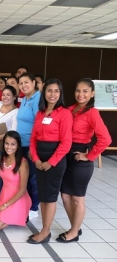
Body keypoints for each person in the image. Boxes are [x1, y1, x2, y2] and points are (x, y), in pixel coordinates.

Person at [58, 78, 111, 243]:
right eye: (78, 91)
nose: (80, 94)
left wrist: (89, 156)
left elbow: (106, 139)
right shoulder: (70, 109)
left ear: (92, 93)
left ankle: (74, 232)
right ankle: (75, 226)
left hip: (80, 160)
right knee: (65, 196)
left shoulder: (92, 112)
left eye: (85, 91)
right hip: (66, 157)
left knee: (77, 198)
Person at [28, 79, 72, 244]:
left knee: (50, 197)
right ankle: (44, 229)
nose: (52, 94)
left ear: (60, 94)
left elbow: (66, 143)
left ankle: (45, 231)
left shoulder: (65, 113)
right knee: (42, 195)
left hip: (55, 160)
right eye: (49, 91)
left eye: (56, 91)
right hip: (39, 159)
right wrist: (37, 158)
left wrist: (50, 162)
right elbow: (33, 139)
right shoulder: (40, 113)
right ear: (44, 93)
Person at [0, 131, 31, 231]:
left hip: (17, 198)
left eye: (13, 144)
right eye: (6, 143)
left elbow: (22, 190)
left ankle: (21, 216)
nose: (9, 147)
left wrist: (6, 205)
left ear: (18, 145)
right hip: (5, 196)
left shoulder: (23, 163)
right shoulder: (2, 157)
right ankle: (10, 215)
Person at [16, 73, 41, 219]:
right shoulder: (25, 99)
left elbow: (38, 124)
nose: (24, 85)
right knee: (24, 177)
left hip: (31, 146)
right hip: (22, 145)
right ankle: (26, 203)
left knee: (33, 178)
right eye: (21, 83)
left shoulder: (37, 98)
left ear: (33, 82)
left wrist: (33, 147)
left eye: (26, 82)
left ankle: (33, 207)